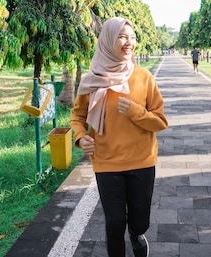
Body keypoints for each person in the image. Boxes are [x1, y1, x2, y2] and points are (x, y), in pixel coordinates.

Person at [70, 17, 168, 257]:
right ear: (107, 40)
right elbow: (77, 116)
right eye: (123, 37)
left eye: (132, 38)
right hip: (106, 161)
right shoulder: (92, 80)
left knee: (139, 222)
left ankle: (137, 235)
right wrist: (81, 137)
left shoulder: (144, 77)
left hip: (142, 161)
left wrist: (135, 112)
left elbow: (160, 122)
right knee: (114, 223)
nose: (129, 43)